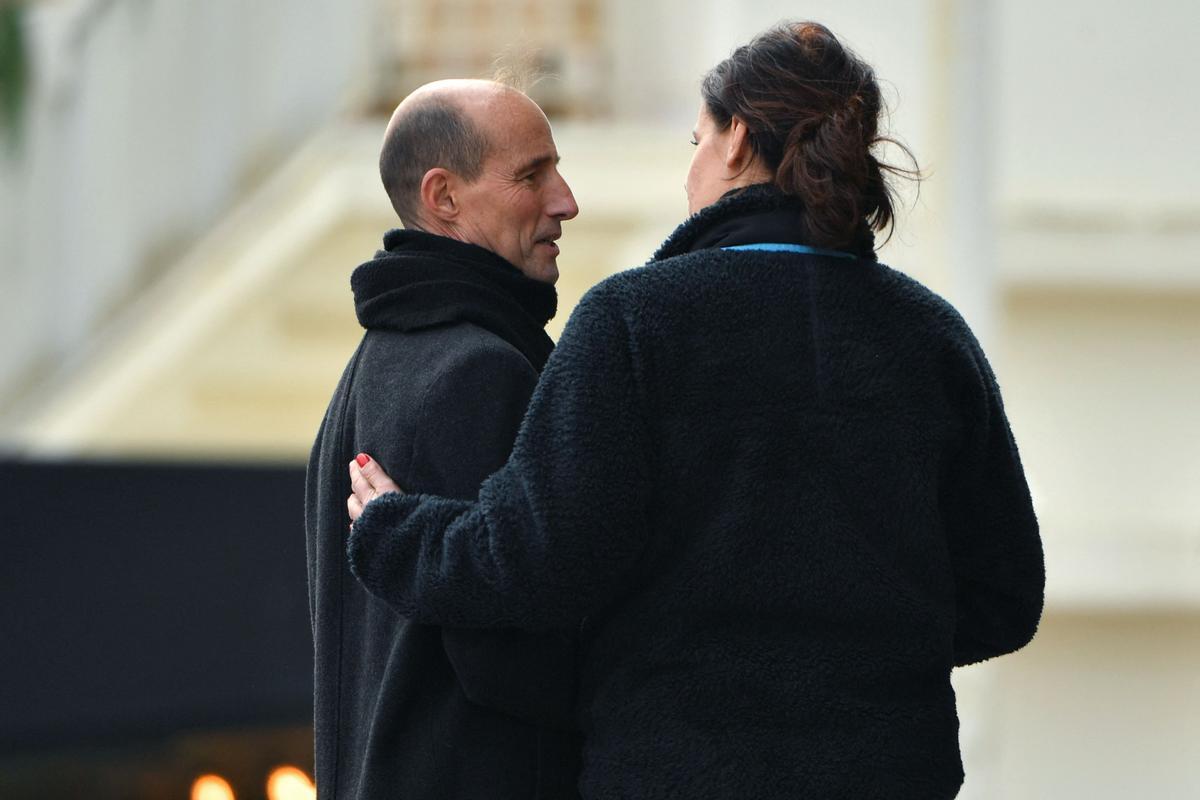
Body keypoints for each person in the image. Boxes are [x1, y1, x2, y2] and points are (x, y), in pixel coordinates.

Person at [344, 22, 1045, 800]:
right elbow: (1005, 600)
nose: (693, 166)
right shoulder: (932, 336)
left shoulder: (635, 321)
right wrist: (868, 648)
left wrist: (394, 532)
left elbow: (533, 561)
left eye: (698, 139)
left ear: (737, 139)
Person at [305, 79, 582, 800]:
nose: (566, 200)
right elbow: (515, 652)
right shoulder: (481, 372)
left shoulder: (367, 371)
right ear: (444, 196)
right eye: (532, 175)